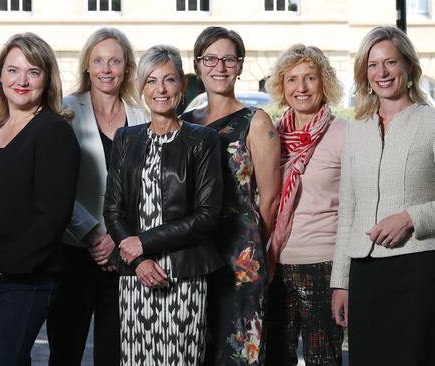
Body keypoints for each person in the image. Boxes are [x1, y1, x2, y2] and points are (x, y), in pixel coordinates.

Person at [0, 33, 80, 366]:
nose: (22, 80)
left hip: (25, 278)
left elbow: (55, 214)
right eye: (13, 70)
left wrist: (7, 265)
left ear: (47, 80)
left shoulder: (53, 131)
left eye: (33, 72)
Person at [104, 44, 223, 365]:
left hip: (183, 274)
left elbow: (208, 215)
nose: (161, 89)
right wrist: (138, 260)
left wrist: (143, 242)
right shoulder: (125, 139)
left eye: (169, 80)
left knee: (182, 359)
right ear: (141, 87)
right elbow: (113, 209)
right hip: (136, 274)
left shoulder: (203, 140)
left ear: (182, 86)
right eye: (152, 81)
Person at [330, 26, 435, 366]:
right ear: (364, 73)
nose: (382, 73)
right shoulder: (356, 129)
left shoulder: (431, 122)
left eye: (390, 62)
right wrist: (341, 283)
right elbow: (348, 209)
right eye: (373, 65)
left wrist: (410, 218)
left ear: (408, 67)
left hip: (418, 269)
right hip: (364, 273)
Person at [47, 27, 148, 366]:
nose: (106, 69)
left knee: (117, 354)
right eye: (99, 60)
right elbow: (55, 185)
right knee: (66, 351)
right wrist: (93, 233)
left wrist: (118, 238)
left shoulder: (141, 116)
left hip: (123, 255)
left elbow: (146, 188)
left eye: (115, 61)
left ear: (127, 67)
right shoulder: (64, 111)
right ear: (87, 66)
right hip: (74, 250)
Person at [179, 26, 280, 365]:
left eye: (228, 59)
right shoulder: (184, 122)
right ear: (198, 65)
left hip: (241, 255)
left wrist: (255, 249)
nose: (219, 66)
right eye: (210, 58)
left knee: (237, 350)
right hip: (193, 251)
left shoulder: (256, 121)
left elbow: (270, 198)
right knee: (195, 346)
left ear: (239, 66)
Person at [263, 44, 346, 365]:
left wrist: (344, 279)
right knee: (273, 358)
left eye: (310, 78)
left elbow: (354, 207)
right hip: (275, 265)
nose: (301, 87)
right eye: (292, 79)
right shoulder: (271, 134)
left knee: (323, 359)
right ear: (282, 87)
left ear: (323, 82)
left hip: (323, 266)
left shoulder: (343, 134)